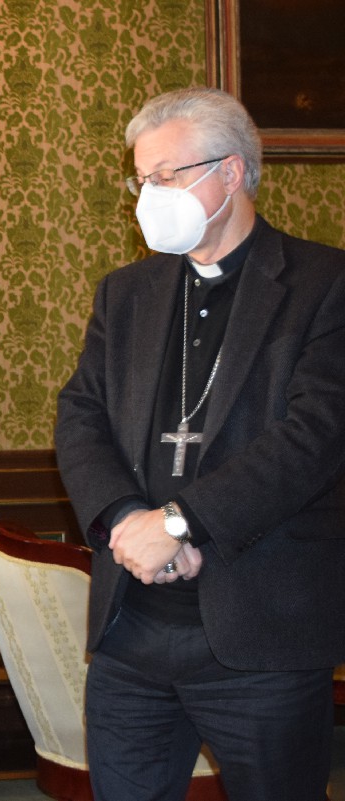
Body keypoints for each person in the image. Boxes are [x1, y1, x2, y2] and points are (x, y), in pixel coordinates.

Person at [55, 86, 345, 801]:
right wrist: (127, 518)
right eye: (141, 180)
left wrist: (182, 522)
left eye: (166, 175)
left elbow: (314, 438)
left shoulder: (324, 284)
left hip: (261, 631)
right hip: (132, 628)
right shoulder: (126, 292)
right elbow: (80, 413)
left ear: (232, 172)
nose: (148, 196)